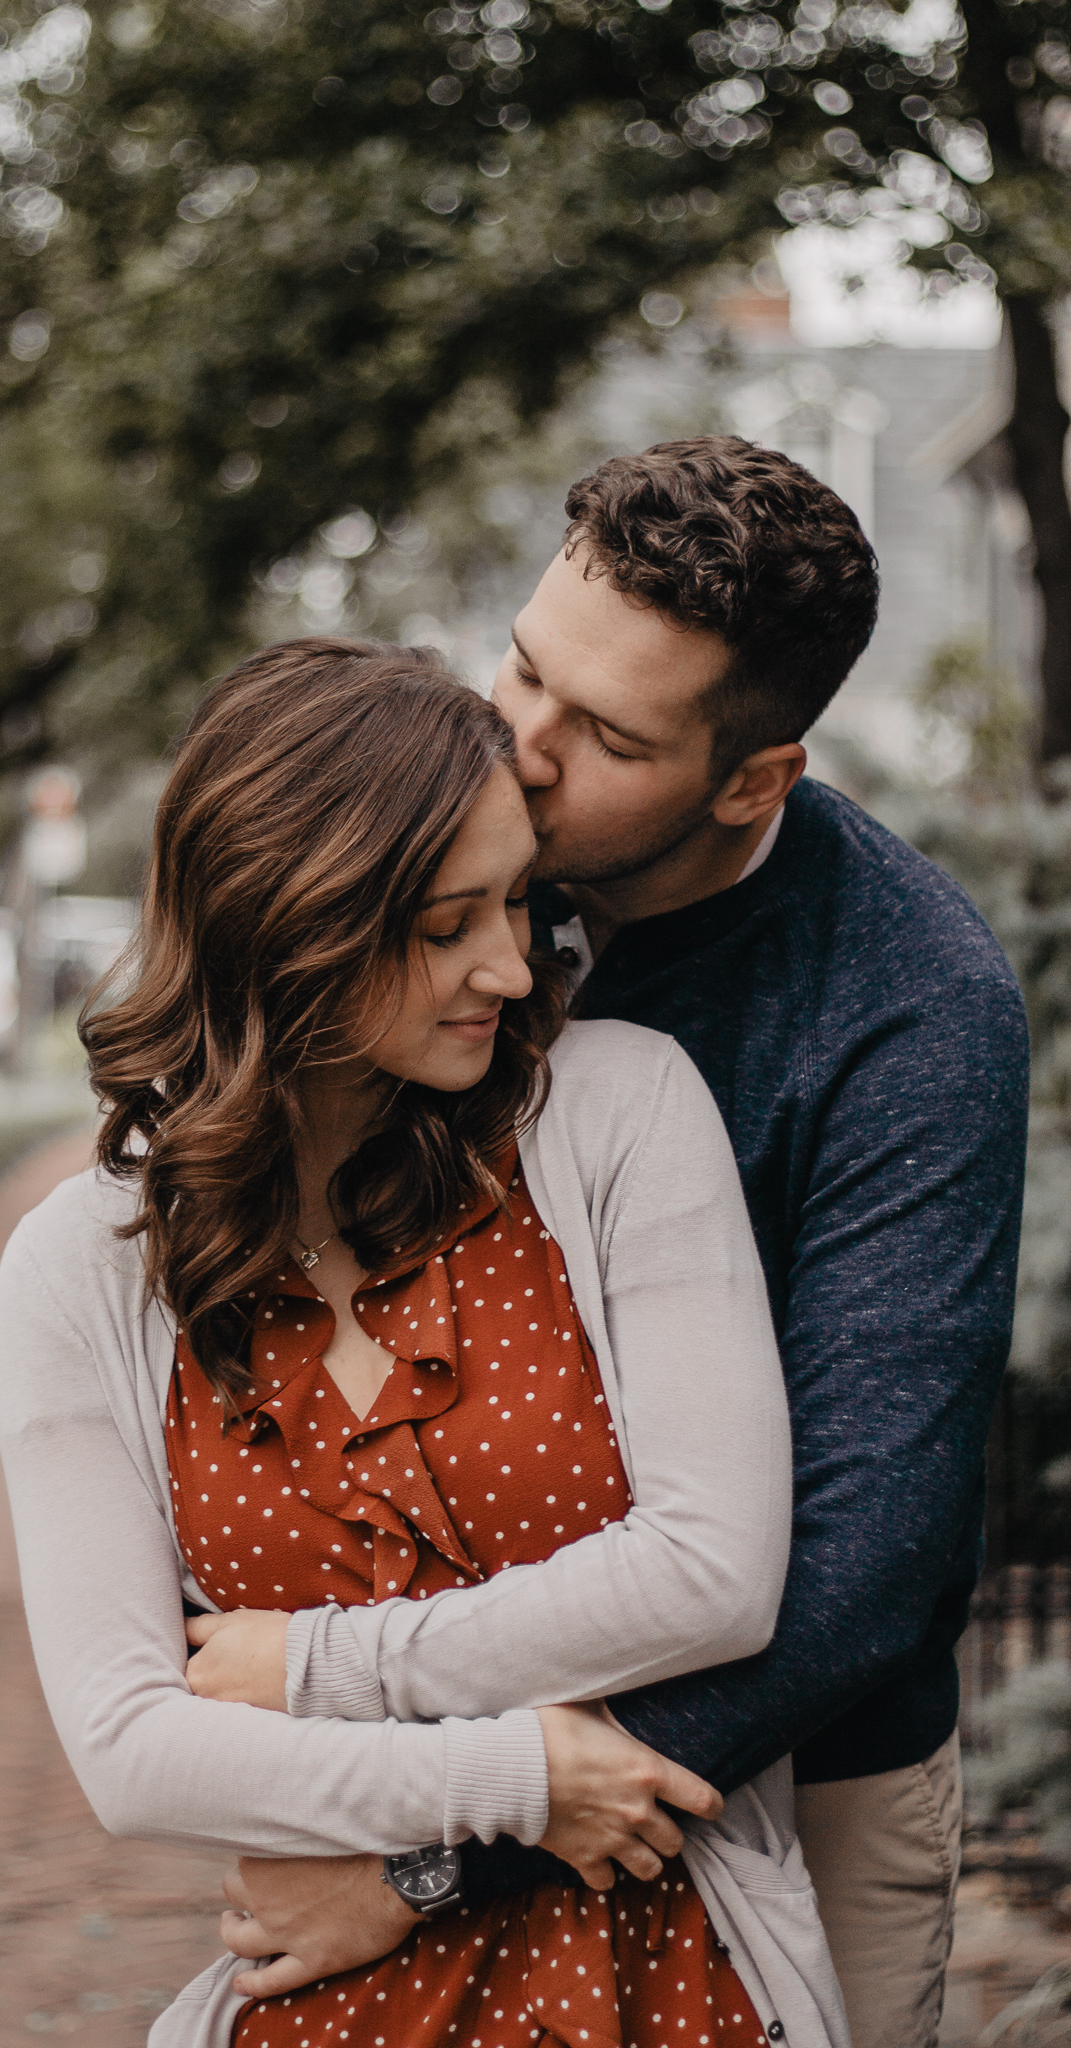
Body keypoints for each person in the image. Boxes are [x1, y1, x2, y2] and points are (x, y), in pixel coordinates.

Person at [182, 439, 1029, 2048]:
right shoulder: (413, 871)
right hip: (399, 1744)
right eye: (519, 665)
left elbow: (864, 1566)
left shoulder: (908, 1007)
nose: (518, 743)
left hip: (782, 1774)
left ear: (751, 777)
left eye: (609, 734)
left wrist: (448, 1850)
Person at [0, 637, 850, 2048]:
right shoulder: (78, 1270)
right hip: (324, 2004)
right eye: (449, 925)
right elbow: (135, 1751)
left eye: (517, 901)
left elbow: (712, 1575)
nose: (510, 968)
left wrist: (324, 1678)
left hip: (670, 1978)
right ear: (296, 925)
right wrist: (515, 1778)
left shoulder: (615, 1116)